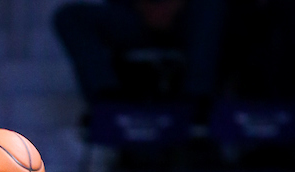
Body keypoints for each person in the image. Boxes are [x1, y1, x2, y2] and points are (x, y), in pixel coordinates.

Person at [53, 0, 225, 108]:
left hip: (195, 18)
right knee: (69, 17)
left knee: (212, 8)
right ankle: (107, 100)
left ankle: (198, 103)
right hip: (137, 17)